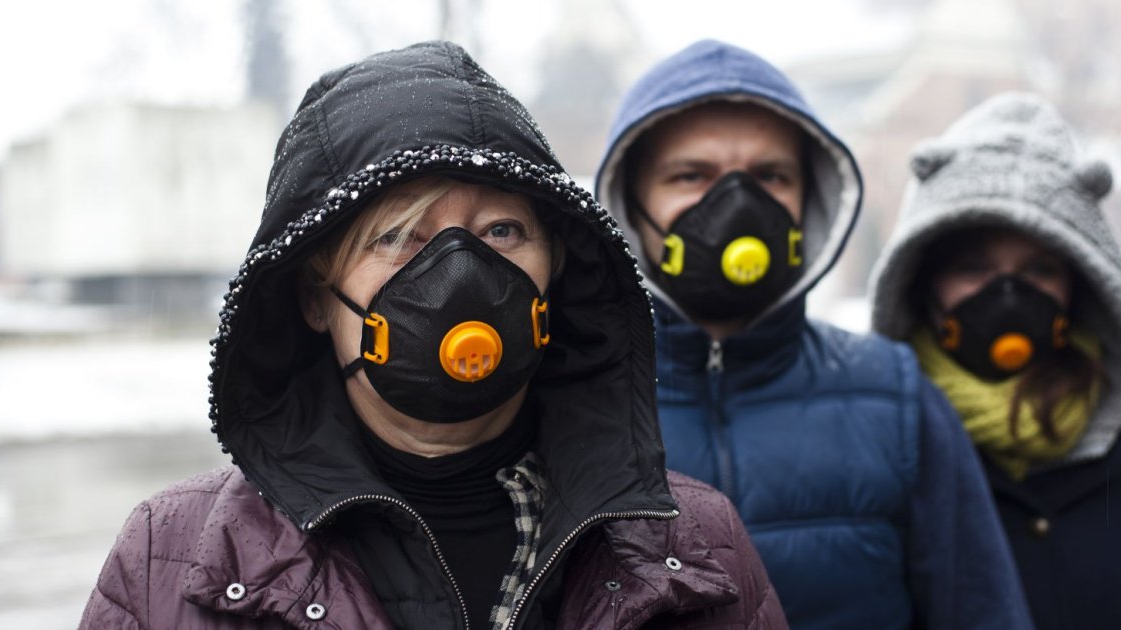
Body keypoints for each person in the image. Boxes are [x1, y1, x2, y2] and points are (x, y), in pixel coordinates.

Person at [80, 41, 787, 629]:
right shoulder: (169, 558)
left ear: (557, 270)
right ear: (316, 297)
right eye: (396, 237)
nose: (461, 276)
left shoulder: (696, 542)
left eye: (501, 231)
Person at [595, 39, 1031, 630]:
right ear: (629, 204)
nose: (738, 205)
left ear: (810, 200)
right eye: (692, 175)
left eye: (771, 176)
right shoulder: (574, 407)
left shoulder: (896, 397)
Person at [869, 92, 1121, 630]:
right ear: (921, 283)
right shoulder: (886, 436)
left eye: (1039, 269)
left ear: (1081, 283)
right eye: (974, 267)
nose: (1008, 295)